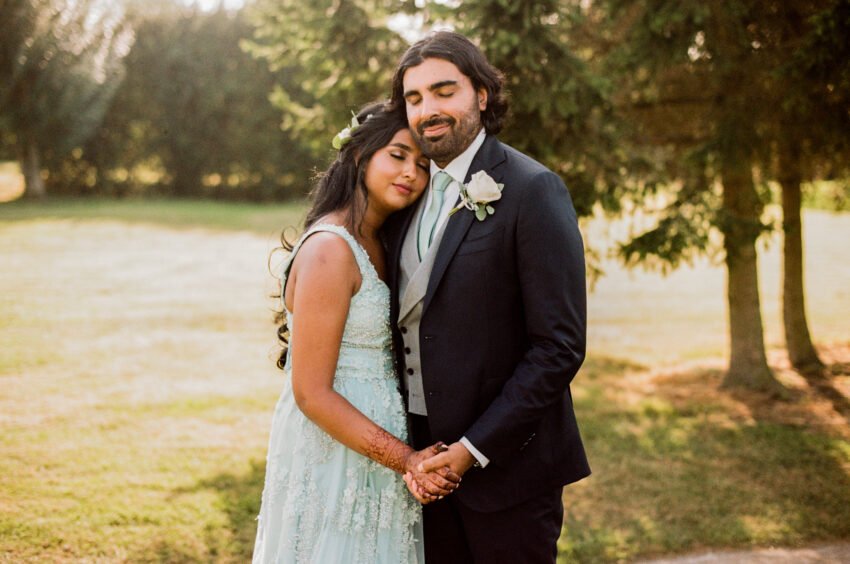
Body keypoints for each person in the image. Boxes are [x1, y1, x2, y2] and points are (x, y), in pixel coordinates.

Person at [383, 31, 591, 563]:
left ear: (480, 93)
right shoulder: (406, 194)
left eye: (443, 91)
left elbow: (559, 347)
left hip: (509, 472)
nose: (428, 109)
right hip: (422, 468)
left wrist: (471, 452)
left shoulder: (532, 189)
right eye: (414, 98)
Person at [252, 101, 460, 564]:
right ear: (359, 156)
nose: (411, 173)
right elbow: (310, 392)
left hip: (377, 441)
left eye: (423, 165)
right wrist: (406, 460)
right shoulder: (330, 249)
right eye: (398, 155)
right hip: (335, 449)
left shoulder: (382, 241)